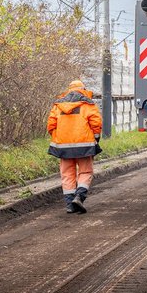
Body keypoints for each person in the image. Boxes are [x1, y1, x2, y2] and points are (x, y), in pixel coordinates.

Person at [47, 79, 103, 214]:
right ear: (83, 89)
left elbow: (51, 125)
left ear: (69, 90)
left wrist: (59, 137)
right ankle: (79, 196)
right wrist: (96, 137)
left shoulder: (58, 106)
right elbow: (96, 123)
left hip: (62, 147)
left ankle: (69, 204)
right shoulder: (88, 104)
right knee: (85, 172)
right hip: (84, 145)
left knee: (67, 174)